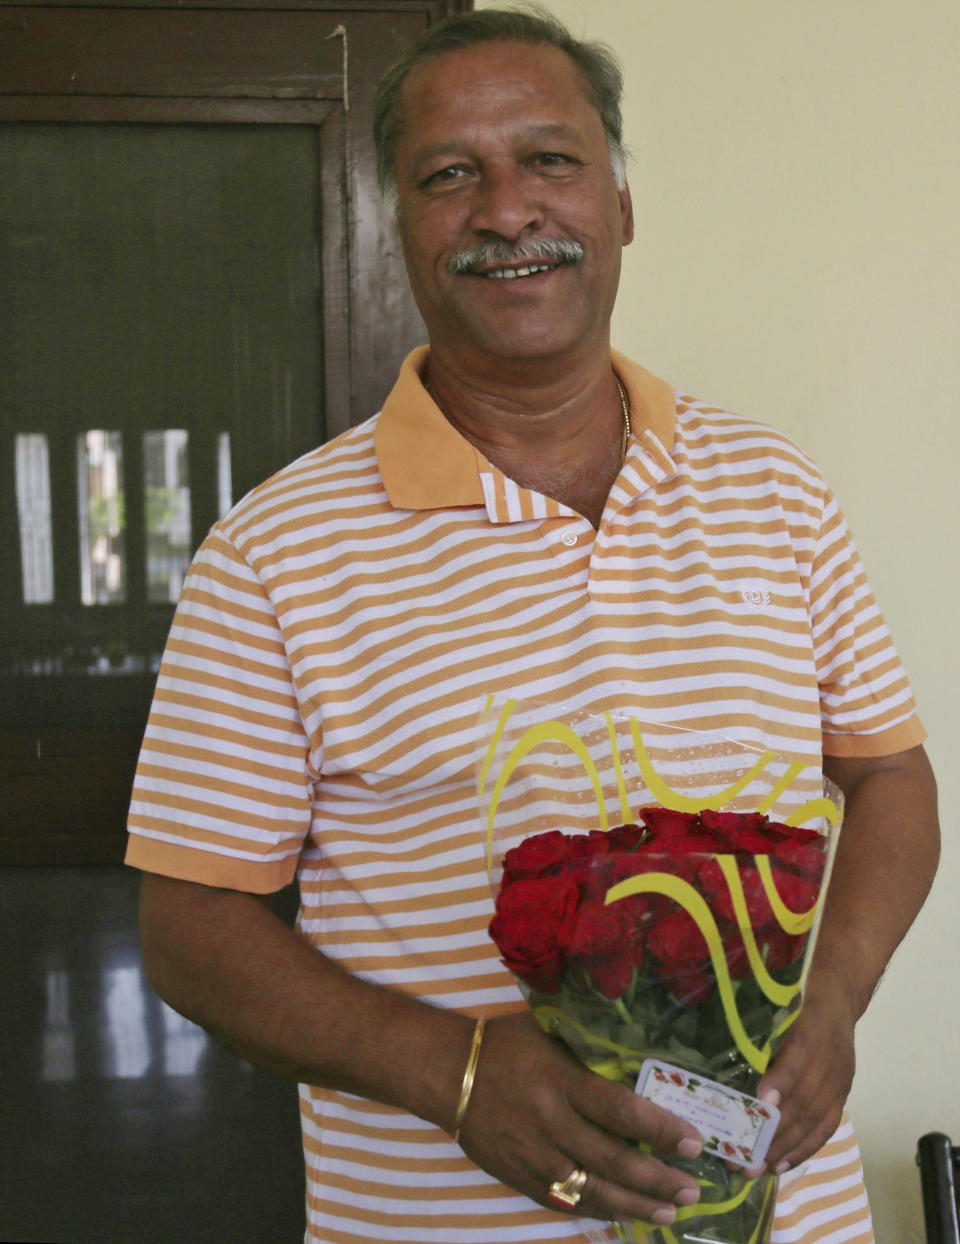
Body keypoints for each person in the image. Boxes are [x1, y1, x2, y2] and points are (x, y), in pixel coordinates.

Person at [127, 8, 939, 1243]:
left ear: (621, 203)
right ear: (396, 228)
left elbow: (888, 776)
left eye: (549, 160)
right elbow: (192, 924)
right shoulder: (274, 553)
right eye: (450, 174)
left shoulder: (774, 486)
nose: (507, 210)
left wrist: (832, 999)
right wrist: (451, 1072)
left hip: (790, 1216)